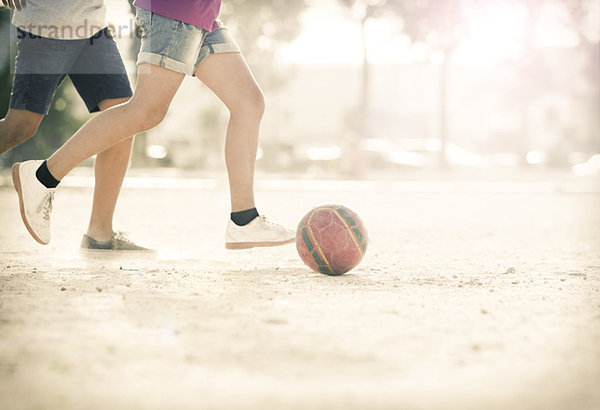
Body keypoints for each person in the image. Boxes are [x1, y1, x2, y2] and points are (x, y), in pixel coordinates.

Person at [10, 0, 296, 250]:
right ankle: (43, 176)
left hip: (201, 13)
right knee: (147, 110)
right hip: (174, 11)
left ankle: (244, 219)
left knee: (249, 103)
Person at [1, 0, 153, 252]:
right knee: (21, 125)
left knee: (124, 117)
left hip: (92, 27)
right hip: (45, 26)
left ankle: (100, 233)